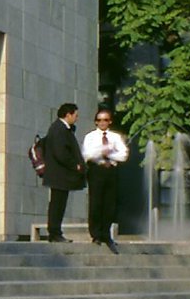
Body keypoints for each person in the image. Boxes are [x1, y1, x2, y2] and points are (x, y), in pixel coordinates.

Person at [80, 105, 130, 250]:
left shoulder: (115, 137)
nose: (102, 123)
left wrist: (109, 154)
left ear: (110, 122)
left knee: (109, 203)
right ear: (96, 122)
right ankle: (95, 234)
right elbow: (87, 155)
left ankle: (106, 233)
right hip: (96, 170)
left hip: (111, 170)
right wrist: (103, 151)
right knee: (96, 202)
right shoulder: (90, 137)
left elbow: (123, 155)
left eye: (106, 120)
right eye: (100, 120)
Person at [37, 103, 86, 243]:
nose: (77, 118)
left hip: (60, 175)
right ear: (68, 115)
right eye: (75, 115)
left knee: (58, 204)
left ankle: (56, 232)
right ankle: (54, 233)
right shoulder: (59, 129)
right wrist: (74, 165)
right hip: (59, 175)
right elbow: (61, 152)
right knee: (57, 205)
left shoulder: (61, 128)